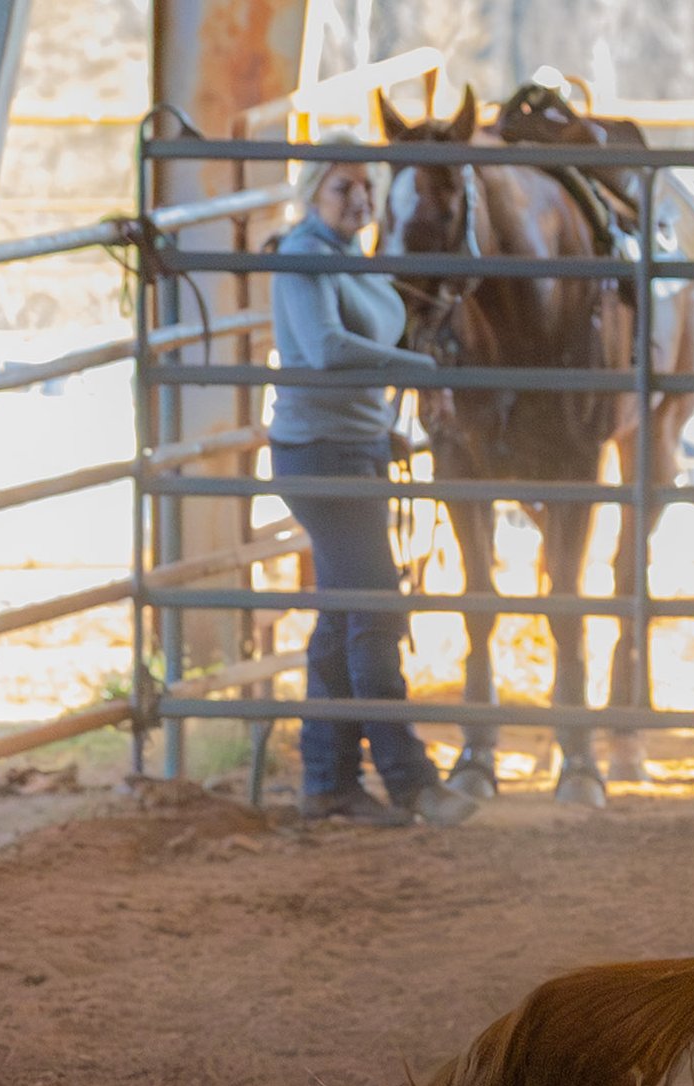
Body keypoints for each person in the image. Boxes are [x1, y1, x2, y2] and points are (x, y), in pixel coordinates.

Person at [267, 141, 474, 827]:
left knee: (343, 615)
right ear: (312, 197)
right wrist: (415, 367)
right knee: (375, 611)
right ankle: (410, 780)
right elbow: (323, 348)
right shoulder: (304, 258)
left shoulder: (350, 259)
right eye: (342, 189)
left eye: (366, 189)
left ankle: (328, 780)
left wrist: (387, 420)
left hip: (355, 449)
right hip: (321, 454)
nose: (359, 200)